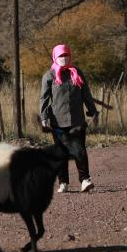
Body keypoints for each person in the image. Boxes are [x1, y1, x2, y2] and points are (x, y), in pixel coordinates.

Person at [39, 43, 98, 193]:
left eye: (66, 55)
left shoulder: (76, 73)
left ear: (70, 56)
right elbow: (44, 98)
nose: (64, 58)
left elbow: (86, 94)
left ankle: (85, 180)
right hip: (58, 122)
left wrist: (93, 111)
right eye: (61, 56)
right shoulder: (49, 75)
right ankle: (63, 182)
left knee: (79, 150)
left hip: (77, 120)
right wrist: (44, 117)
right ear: (55, 57)